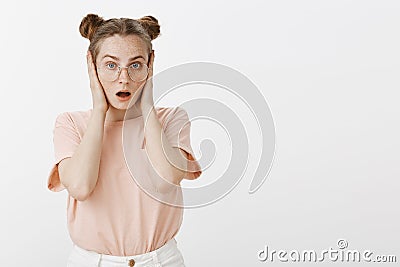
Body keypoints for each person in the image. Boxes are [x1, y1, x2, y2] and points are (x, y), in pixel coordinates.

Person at [46, 13, 202, 267]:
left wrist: (147, 106)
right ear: (92, 65)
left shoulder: (171, 119)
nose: (124, 78)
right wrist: (99, 110)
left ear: (150, 65)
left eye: (135, 65)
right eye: (110, 65)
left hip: (162, 261)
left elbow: (167, 177)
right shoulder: (71, 123)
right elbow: (80, 187)